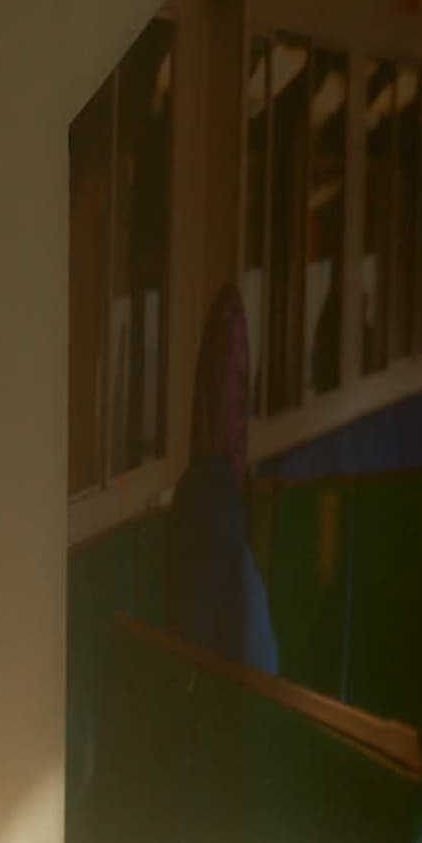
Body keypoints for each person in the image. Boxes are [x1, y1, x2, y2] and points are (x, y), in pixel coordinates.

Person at [160, 285, 280, 674]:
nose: (246, 403)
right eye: (237, 379)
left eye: (248, 379)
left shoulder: (215, 492)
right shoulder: (212, 494)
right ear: (212, 391)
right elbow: (194, 649)